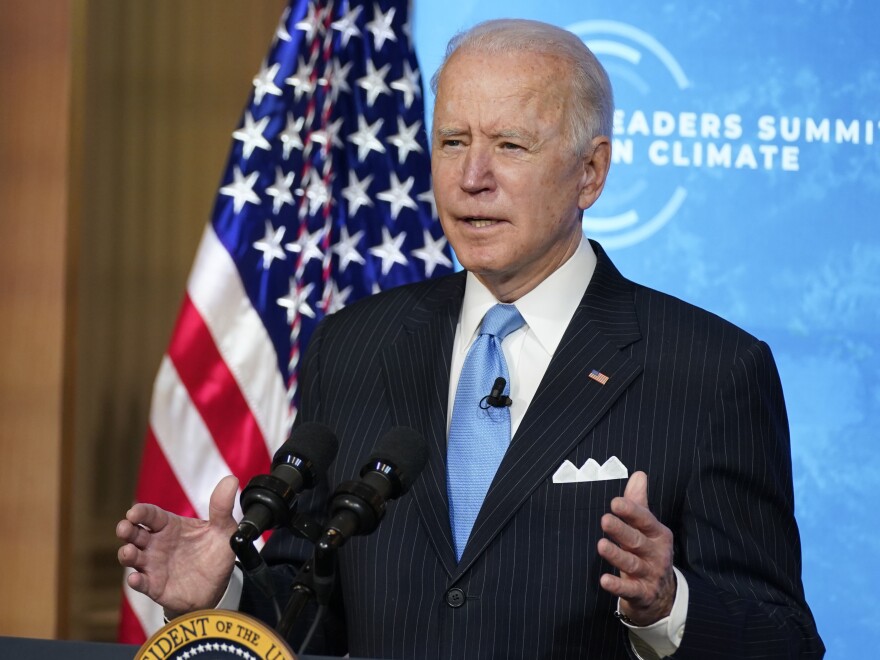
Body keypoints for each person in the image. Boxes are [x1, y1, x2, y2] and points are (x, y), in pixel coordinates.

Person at [117, 18, 824, 659]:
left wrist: (668, 607)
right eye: (453, 142)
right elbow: (316, 612)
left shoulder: (711, 371)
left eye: (510, 145)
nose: (472, 177)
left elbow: (785, 642)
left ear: (591, 172)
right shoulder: (354, 346)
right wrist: (228, 592)